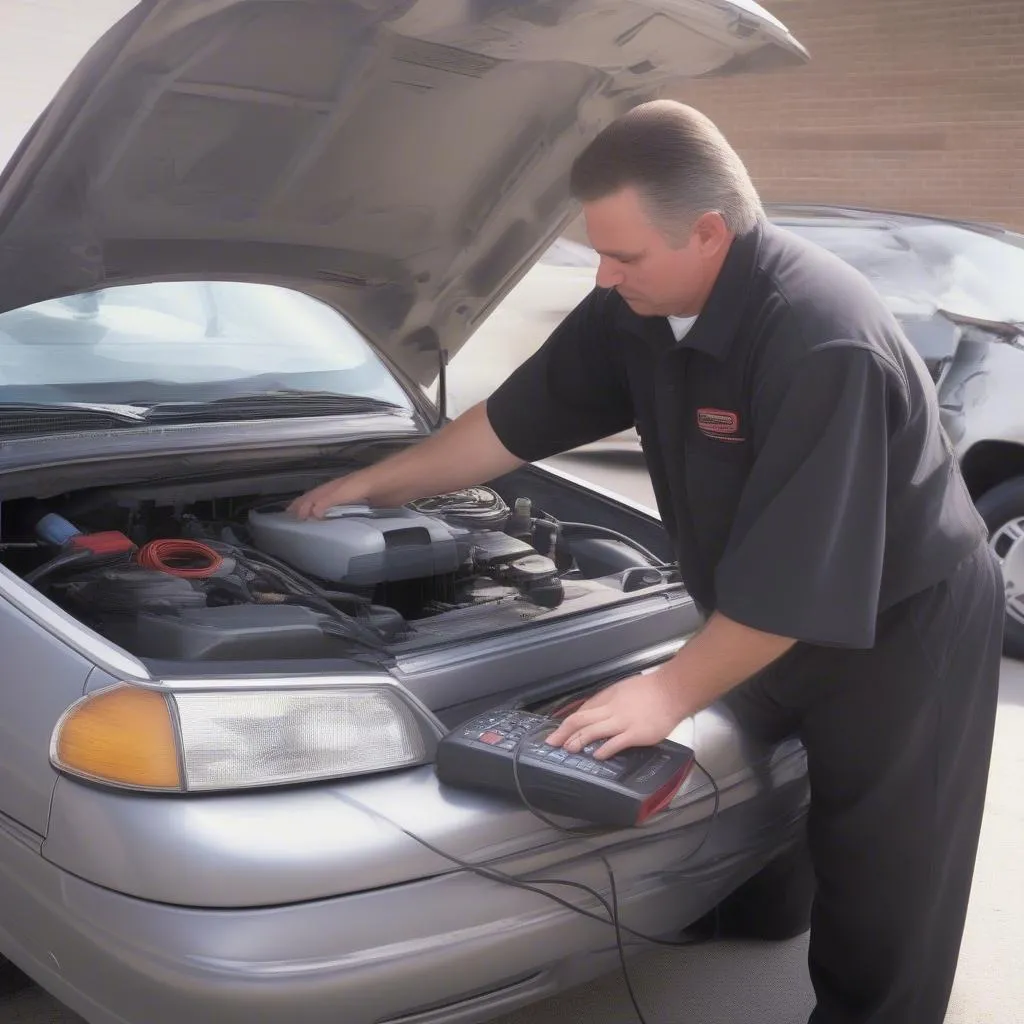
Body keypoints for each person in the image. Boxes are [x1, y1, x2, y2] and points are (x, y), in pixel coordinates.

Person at [289, 101, 1004, 1024]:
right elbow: (511, 425)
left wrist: (664, 691)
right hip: (758, 604)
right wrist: (372, 486)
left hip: (903, 626)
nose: (603, 272)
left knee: (888, 872)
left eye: (623, 255)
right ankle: (763, 915)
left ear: (709, 233)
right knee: (768, 801)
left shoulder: (820, 340)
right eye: (599, 250)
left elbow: (792, 589)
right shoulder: (632, 306)